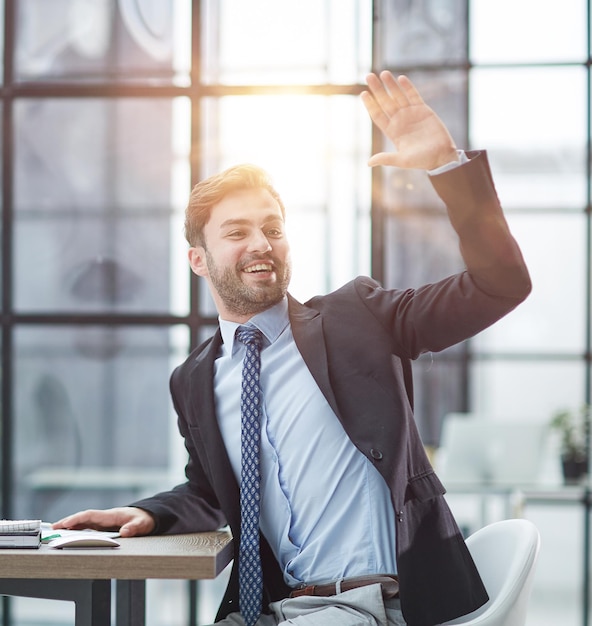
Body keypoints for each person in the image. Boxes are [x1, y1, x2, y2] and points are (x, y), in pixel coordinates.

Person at [53, 71, 531, 626]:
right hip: (281, 609)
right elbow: (211, 492)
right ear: (198, 260)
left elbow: (501, 285)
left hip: (383, 604)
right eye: (236, 232)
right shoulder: (194, 379)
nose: (261, 243)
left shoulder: (359, 317)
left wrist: (446, 165)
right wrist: (144, 513)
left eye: (272, 228)